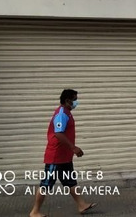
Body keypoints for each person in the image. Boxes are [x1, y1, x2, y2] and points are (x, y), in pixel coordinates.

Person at [30, 89, 97, 217]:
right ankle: (35, 211)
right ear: (67, 101)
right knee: (46, 184)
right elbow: (58, 133)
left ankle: (81, 205)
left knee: (70, 181)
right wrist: (73, 147)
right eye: (75, 99)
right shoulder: (61, 114)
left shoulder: (67, 112)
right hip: (55, 157)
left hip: (64, 157)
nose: (76, 102)